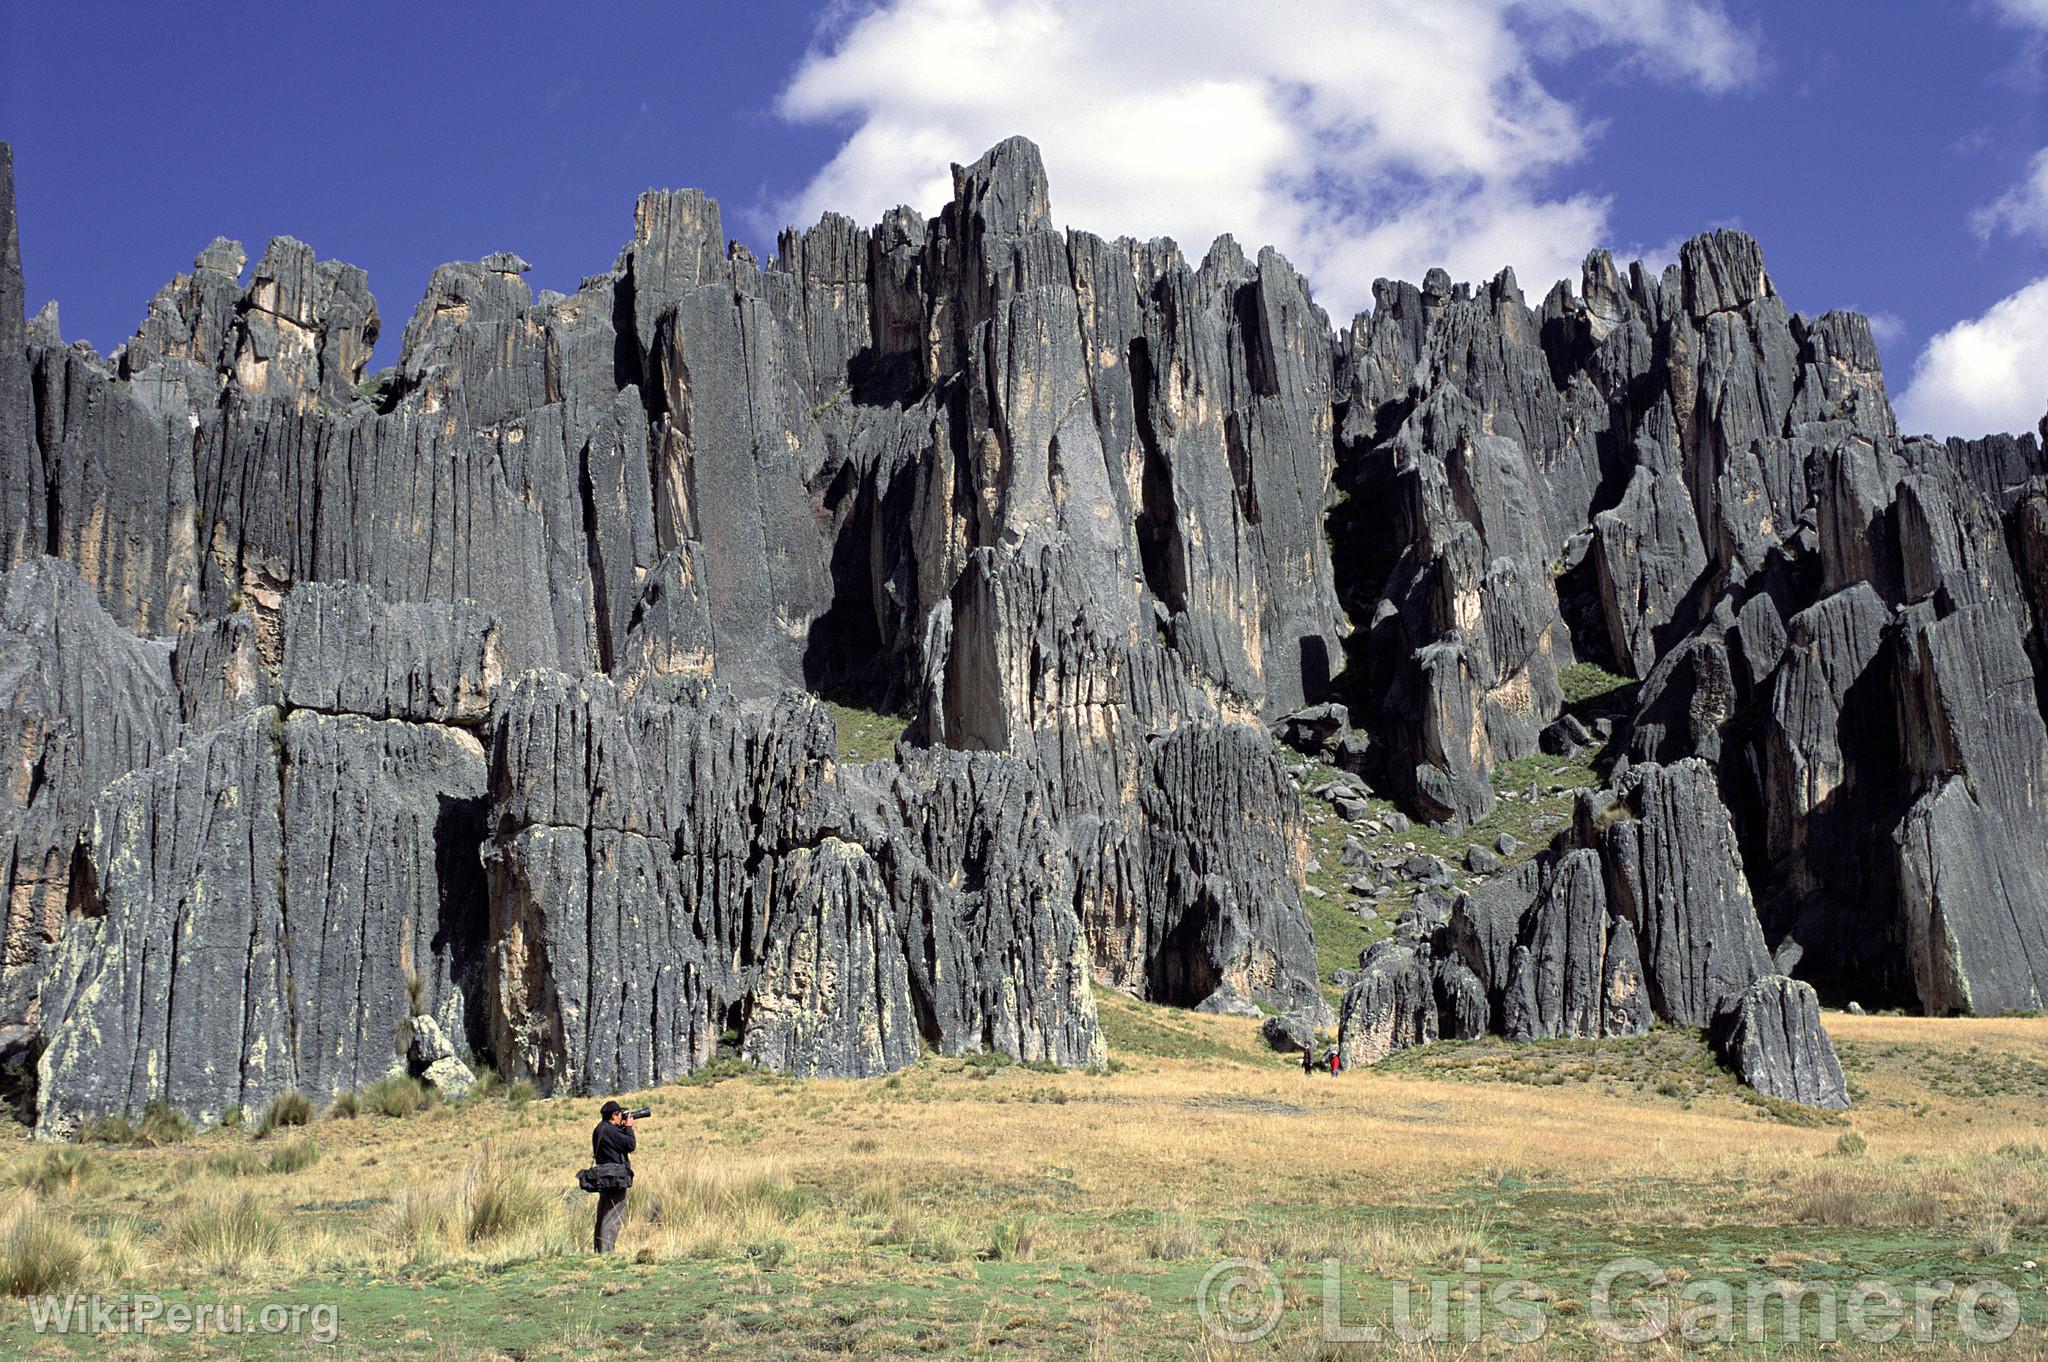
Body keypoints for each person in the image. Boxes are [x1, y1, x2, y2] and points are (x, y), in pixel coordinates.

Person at [591, 1099, 636, 1252]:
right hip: (616, 1179)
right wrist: (628, 1128)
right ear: (614, 1116)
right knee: (613, 1216)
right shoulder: (611, 1130)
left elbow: (615, 1145)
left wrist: (622, 1128)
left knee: (603, 1215)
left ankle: (599, 1250)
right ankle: (607, 1253)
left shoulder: (599, 1129)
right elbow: (630, 1145)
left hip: (604, 1177)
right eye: (619, 1115)